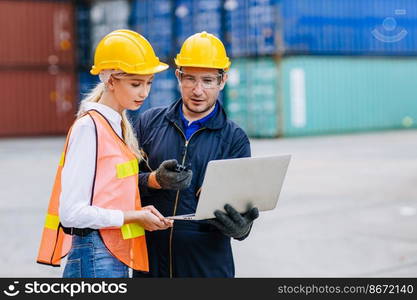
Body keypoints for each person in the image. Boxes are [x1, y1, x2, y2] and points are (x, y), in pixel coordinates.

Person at [36, 29, 191, 278]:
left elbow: (111, 195)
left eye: (149, 83)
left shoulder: (115, 127)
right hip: (95, 256)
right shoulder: (90, 128)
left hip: (109, 255)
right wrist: (134, 217)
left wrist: (143, 213)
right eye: (135, 83)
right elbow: (72, 212)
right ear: (110, 81)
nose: (144, 93)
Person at [133, 31, 259, 278]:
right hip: (150, 264)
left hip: (205, 268)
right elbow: (121, 185)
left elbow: (240, 205)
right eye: (190, 79)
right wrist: (154, 180)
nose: (198, 90)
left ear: (222, 80)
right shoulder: (148, 123)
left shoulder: (234, 139)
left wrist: (242, 228)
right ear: (178, 76)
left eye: (208, 81)